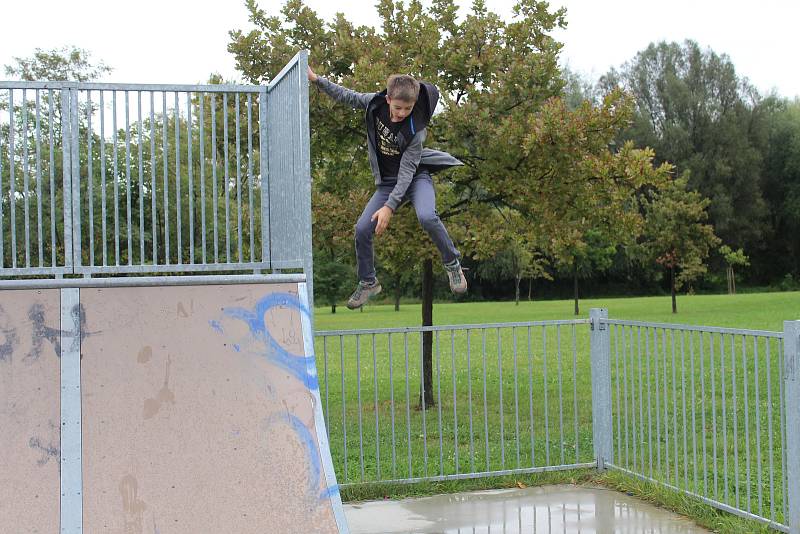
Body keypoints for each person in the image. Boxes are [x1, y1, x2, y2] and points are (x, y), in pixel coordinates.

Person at [308, 66, 467, 309]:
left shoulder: (416, 131)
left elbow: (406, 173)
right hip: (387, 182)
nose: (402, 113)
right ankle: (368, 281)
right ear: (388, 99)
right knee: (362, 229)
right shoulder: (375, 103)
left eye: (408, 109)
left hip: (415, 178)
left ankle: (452, 263)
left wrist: (389, 207)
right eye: (398, 107)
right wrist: (317, 80)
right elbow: (347, 96)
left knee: (426, 216)